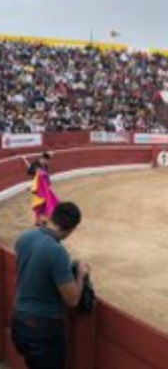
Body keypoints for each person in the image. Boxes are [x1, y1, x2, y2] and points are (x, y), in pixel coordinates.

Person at [12, 202, 90, 369]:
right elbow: (73, 300)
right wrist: (80, 275)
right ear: (71, 230)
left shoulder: (24, 237)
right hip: (43, 332)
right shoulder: (57, 253)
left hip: (18, 323)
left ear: (52, 216)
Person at [24, 152, 59, 226]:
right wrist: (36, 172)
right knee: (39, 204)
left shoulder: (45, 165)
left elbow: (47, 175)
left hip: (45, 187)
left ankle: (43, 220)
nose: (47, 162)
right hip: (38, 188)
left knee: (46, 203)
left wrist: (48, 183)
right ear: (42, 158)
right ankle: (38, 221)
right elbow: (29, 172)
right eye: (46, 160)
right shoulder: (35, 164)